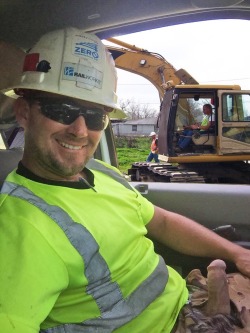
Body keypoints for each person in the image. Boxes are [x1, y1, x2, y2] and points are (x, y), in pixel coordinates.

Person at [0, 28, 250, 333]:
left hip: (192, 303)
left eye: (94, 116)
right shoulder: (18, 232)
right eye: (61, 109)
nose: (80, 130)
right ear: (23, 112)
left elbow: (162, 222)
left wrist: (236, 253)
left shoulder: (100, 172)